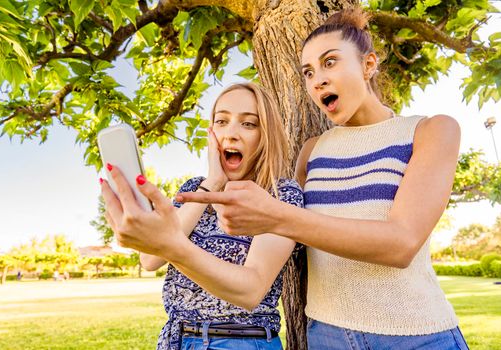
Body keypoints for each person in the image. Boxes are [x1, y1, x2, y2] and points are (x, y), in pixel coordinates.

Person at [177, 7, 469, 350]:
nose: (318, 80)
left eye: (330, 62)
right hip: (328, 337)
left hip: (417, 334)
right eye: (308, 71)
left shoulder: (430, 130)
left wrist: (277, 216)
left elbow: (401, 243)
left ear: (369, 64)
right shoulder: (311, 152)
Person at [100, 83, 304, 350]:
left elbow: (250, 290)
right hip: (177, 338)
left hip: (241, 341)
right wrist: (212, 184)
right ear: (211, 133)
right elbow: (150, 259)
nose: (231, 134)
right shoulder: (193, 189)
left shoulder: (282, 194)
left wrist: (171, 245)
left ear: (266, 135)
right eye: (222, 121)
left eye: (248, 124)